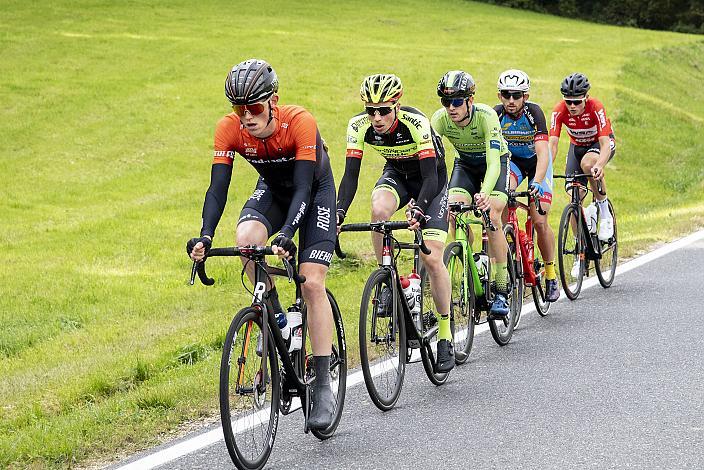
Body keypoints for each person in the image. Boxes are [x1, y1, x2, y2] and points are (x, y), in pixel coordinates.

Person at [186, 59, 337, 429]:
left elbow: (303, 187)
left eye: (253, 108)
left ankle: (322, 382)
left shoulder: (300, 121)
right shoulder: (229, 128)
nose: (246, 117)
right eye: (239, 109)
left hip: (313, 193)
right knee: (246, 240)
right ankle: (280, 322)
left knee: (312, 282)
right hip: (272, 190)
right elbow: (217, 188)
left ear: (274, 101)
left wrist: (287, 232)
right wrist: (205, 235)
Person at [336, 74, 455, 372]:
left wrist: (420, 209)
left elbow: (430, 177)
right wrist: (338, 214)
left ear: (397, 106)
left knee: (433, 257)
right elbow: (350, 176)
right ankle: (387, 278)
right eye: (370, 111)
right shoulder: (358, 126)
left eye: (384, 110)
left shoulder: (417, 124)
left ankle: (445, 334)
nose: (376, 118)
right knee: (378, 212)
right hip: (398, 174)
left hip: (432, 181)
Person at [432, 71, 512, 317]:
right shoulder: (440, 120)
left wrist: (485, 193)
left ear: (470, 101)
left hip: (494, 164)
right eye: (446, 102)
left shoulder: (487, 117)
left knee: (493, 214)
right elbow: (429, 161)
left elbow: (494, 163)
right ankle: (468, 259)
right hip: (465, 165)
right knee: (455, 211)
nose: (451, 108)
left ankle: (501, 286)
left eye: (457, 102)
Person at [494, 69, 559, 302]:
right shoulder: (496, 115)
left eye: (517, 95)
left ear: (526, 97)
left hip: (537, 165)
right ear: (500, 95)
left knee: (540, 220)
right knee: (500, 197)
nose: (511, 101)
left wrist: (539, 182)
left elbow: (543, 153)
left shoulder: (534, 114)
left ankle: (551, 274)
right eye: (506, 95)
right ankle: (508, 244)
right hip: (514, 164)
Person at [548, 72, 616, 277]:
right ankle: (581, 253)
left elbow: (605, 144)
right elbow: (552, 144)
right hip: (576, 148)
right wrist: (545, 172)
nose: (572, 106)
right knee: (574, 199)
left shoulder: (596, 107)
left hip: (600, 145)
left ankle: (603, 210)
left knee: (589, 164)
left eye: (576, 102)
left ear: (586, 97)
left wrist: (600, 165)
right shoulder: (559, 111)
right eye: (568, 101)